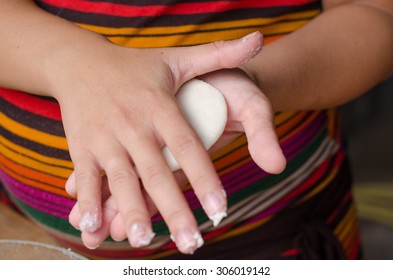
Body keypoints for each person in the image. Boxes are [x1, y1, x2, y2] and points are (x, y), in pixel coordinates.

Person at [0, 0, 392, 259]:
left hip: (277, 239)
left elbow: (377, 15)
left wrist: (247, 80)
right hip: (29, 239)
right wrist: (76, 63)